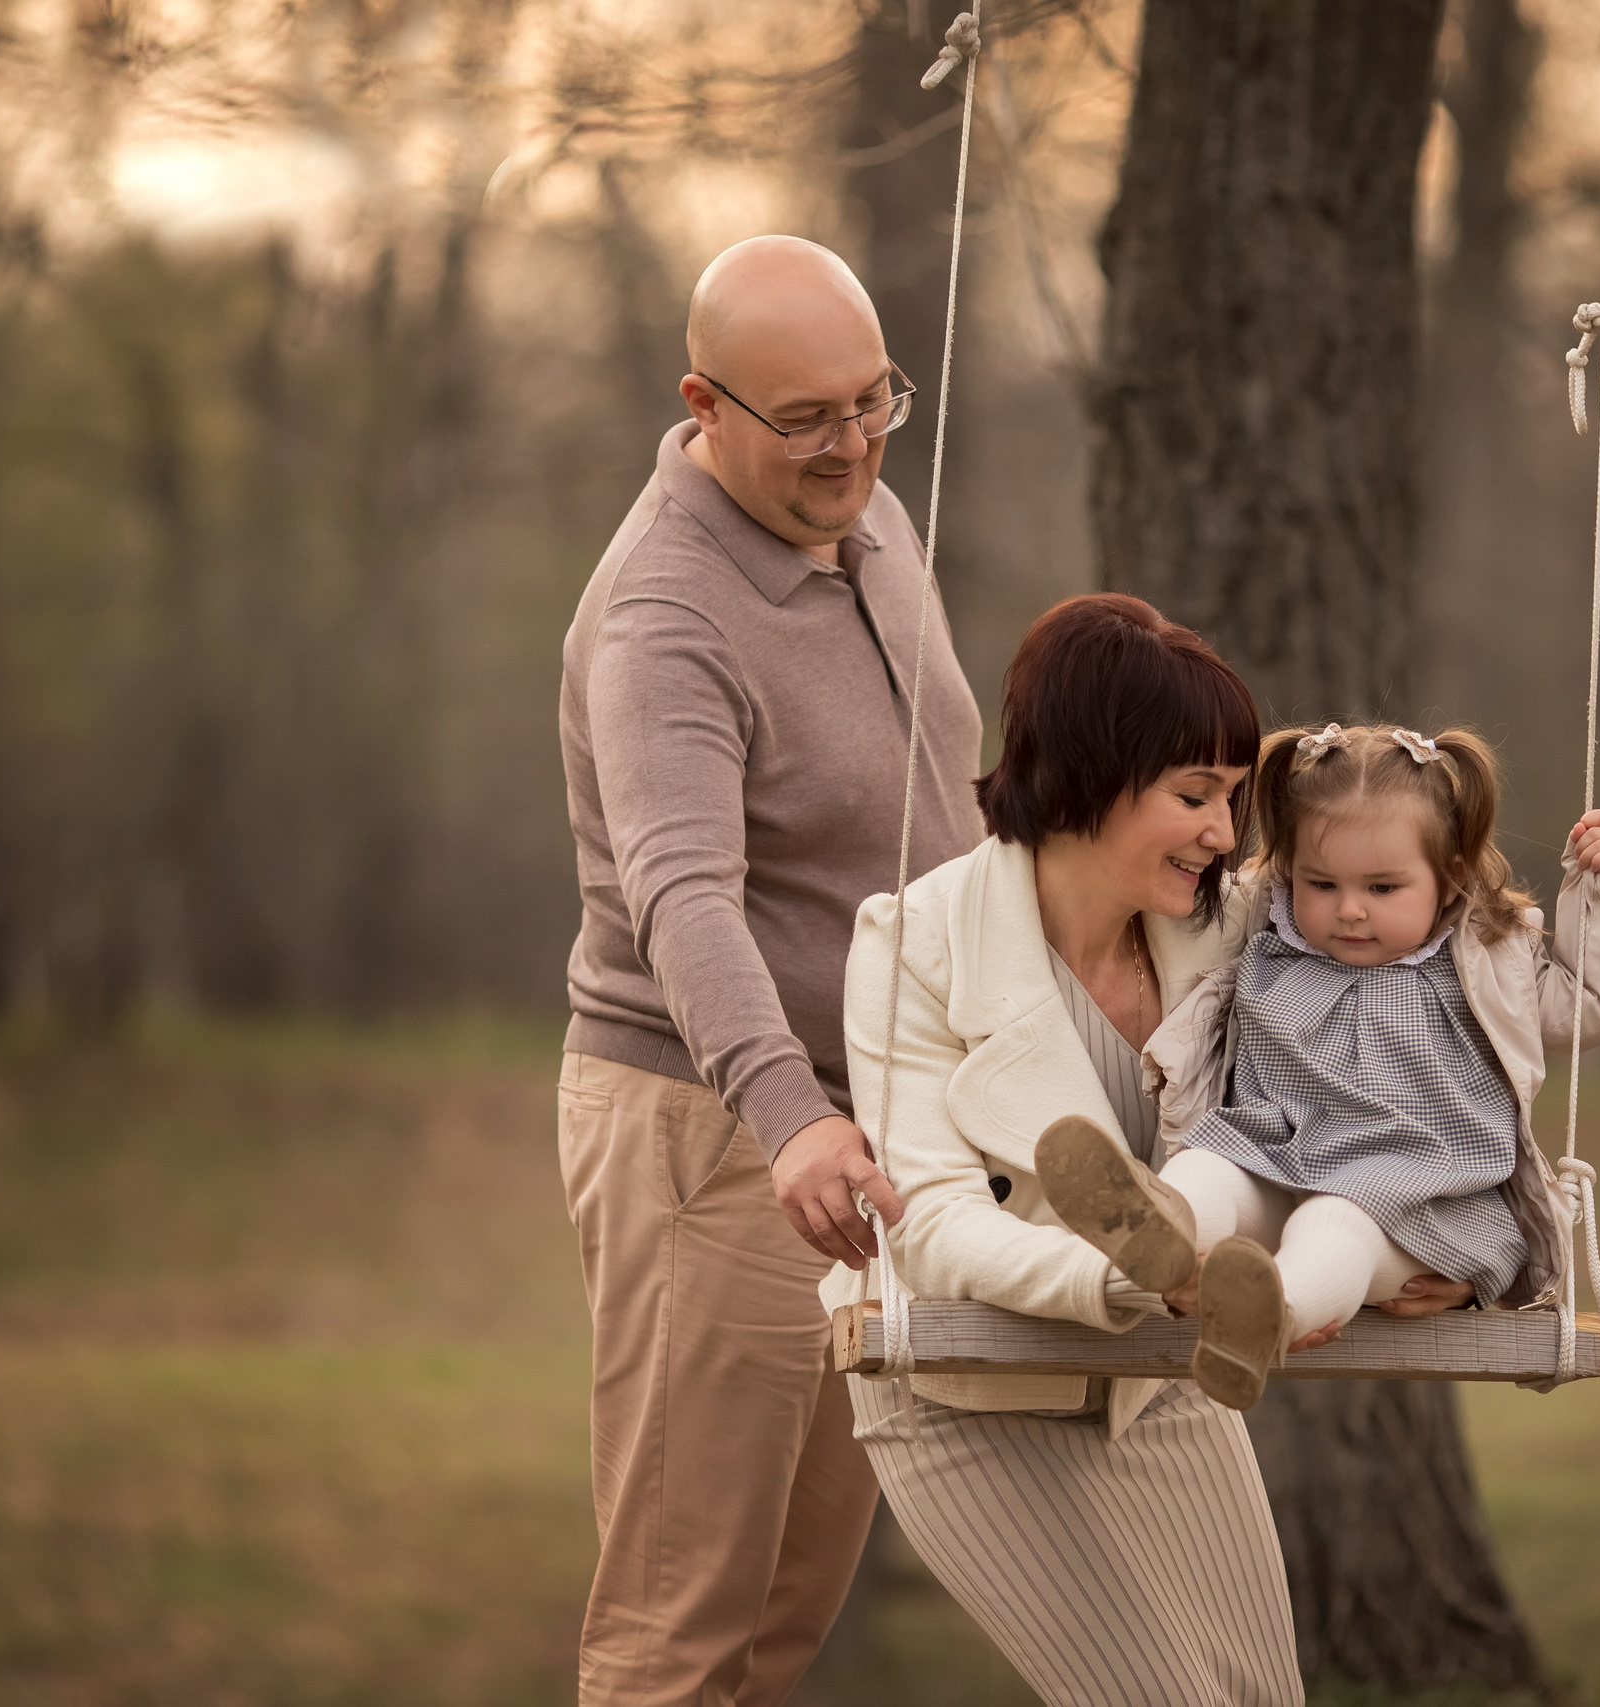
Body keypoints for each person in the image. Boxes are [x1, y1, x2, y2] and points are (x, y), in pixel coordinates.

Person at [828, 595, 1472, 1707]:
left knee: (1263, 1698)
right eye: (1194, 797)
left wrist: (1445, 1247)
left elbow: (1404, 1072)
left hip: (1162, 1386)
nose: (1227, 834)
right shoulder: (916, 942)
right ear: (1085, 780)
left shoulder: (1240, 925)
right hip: (971, 1388)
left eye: (1229, 798)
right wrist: (1138, 1280)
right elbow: (929, 1223)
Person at [557, 234, 983, 1706]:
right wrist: (787, 1113)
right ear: (705, 402)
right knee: (680, 1633)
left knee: (787, 1617)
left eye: (875, 402)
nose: (850, 442)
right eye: (806, 416)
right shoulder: (665, 614)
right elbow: (683, 893)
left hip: (872, 1134)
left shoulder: (865, 512)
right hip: (717, 1131)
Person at [1037, 720, 1600, 1410]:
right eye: (1322, 882)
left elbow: (1591, 1004)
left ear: (1451, 876)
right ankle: (1162, 1232)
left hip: (1413, 1203)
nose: (1348, 910)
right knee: (1204, 1168)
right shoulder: (1274, 929)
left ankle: (1267, 1318)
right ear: (1291, 869)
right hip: (1273, 1158)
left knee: (1335, 1228)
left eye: (1383, 888)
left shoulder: (1486, 954)